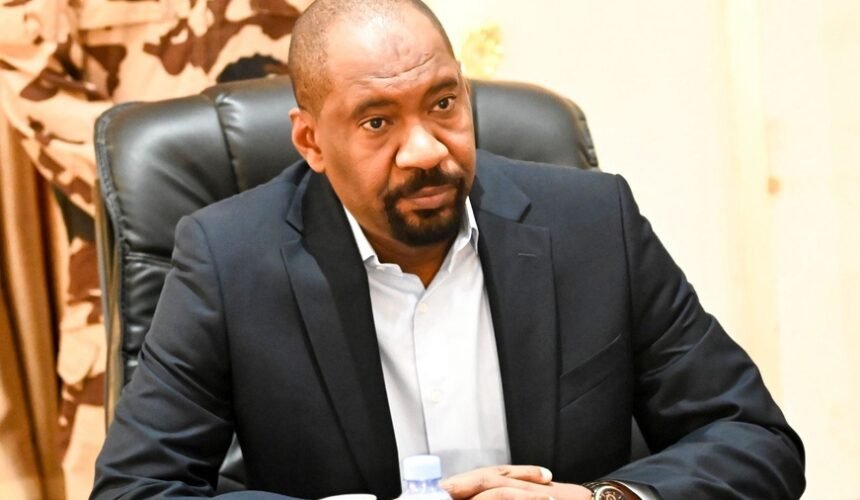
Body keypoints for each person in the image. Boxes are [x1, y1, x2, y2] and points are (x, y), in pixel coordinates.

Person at [91, 0, 805, 498]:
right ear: (310, 141)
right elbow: (136, 489)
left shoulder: (592, 224)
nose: (427, 150)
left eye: (442, 104)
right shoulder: (227, 260)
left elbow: (753, 438)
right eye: (377, 122)